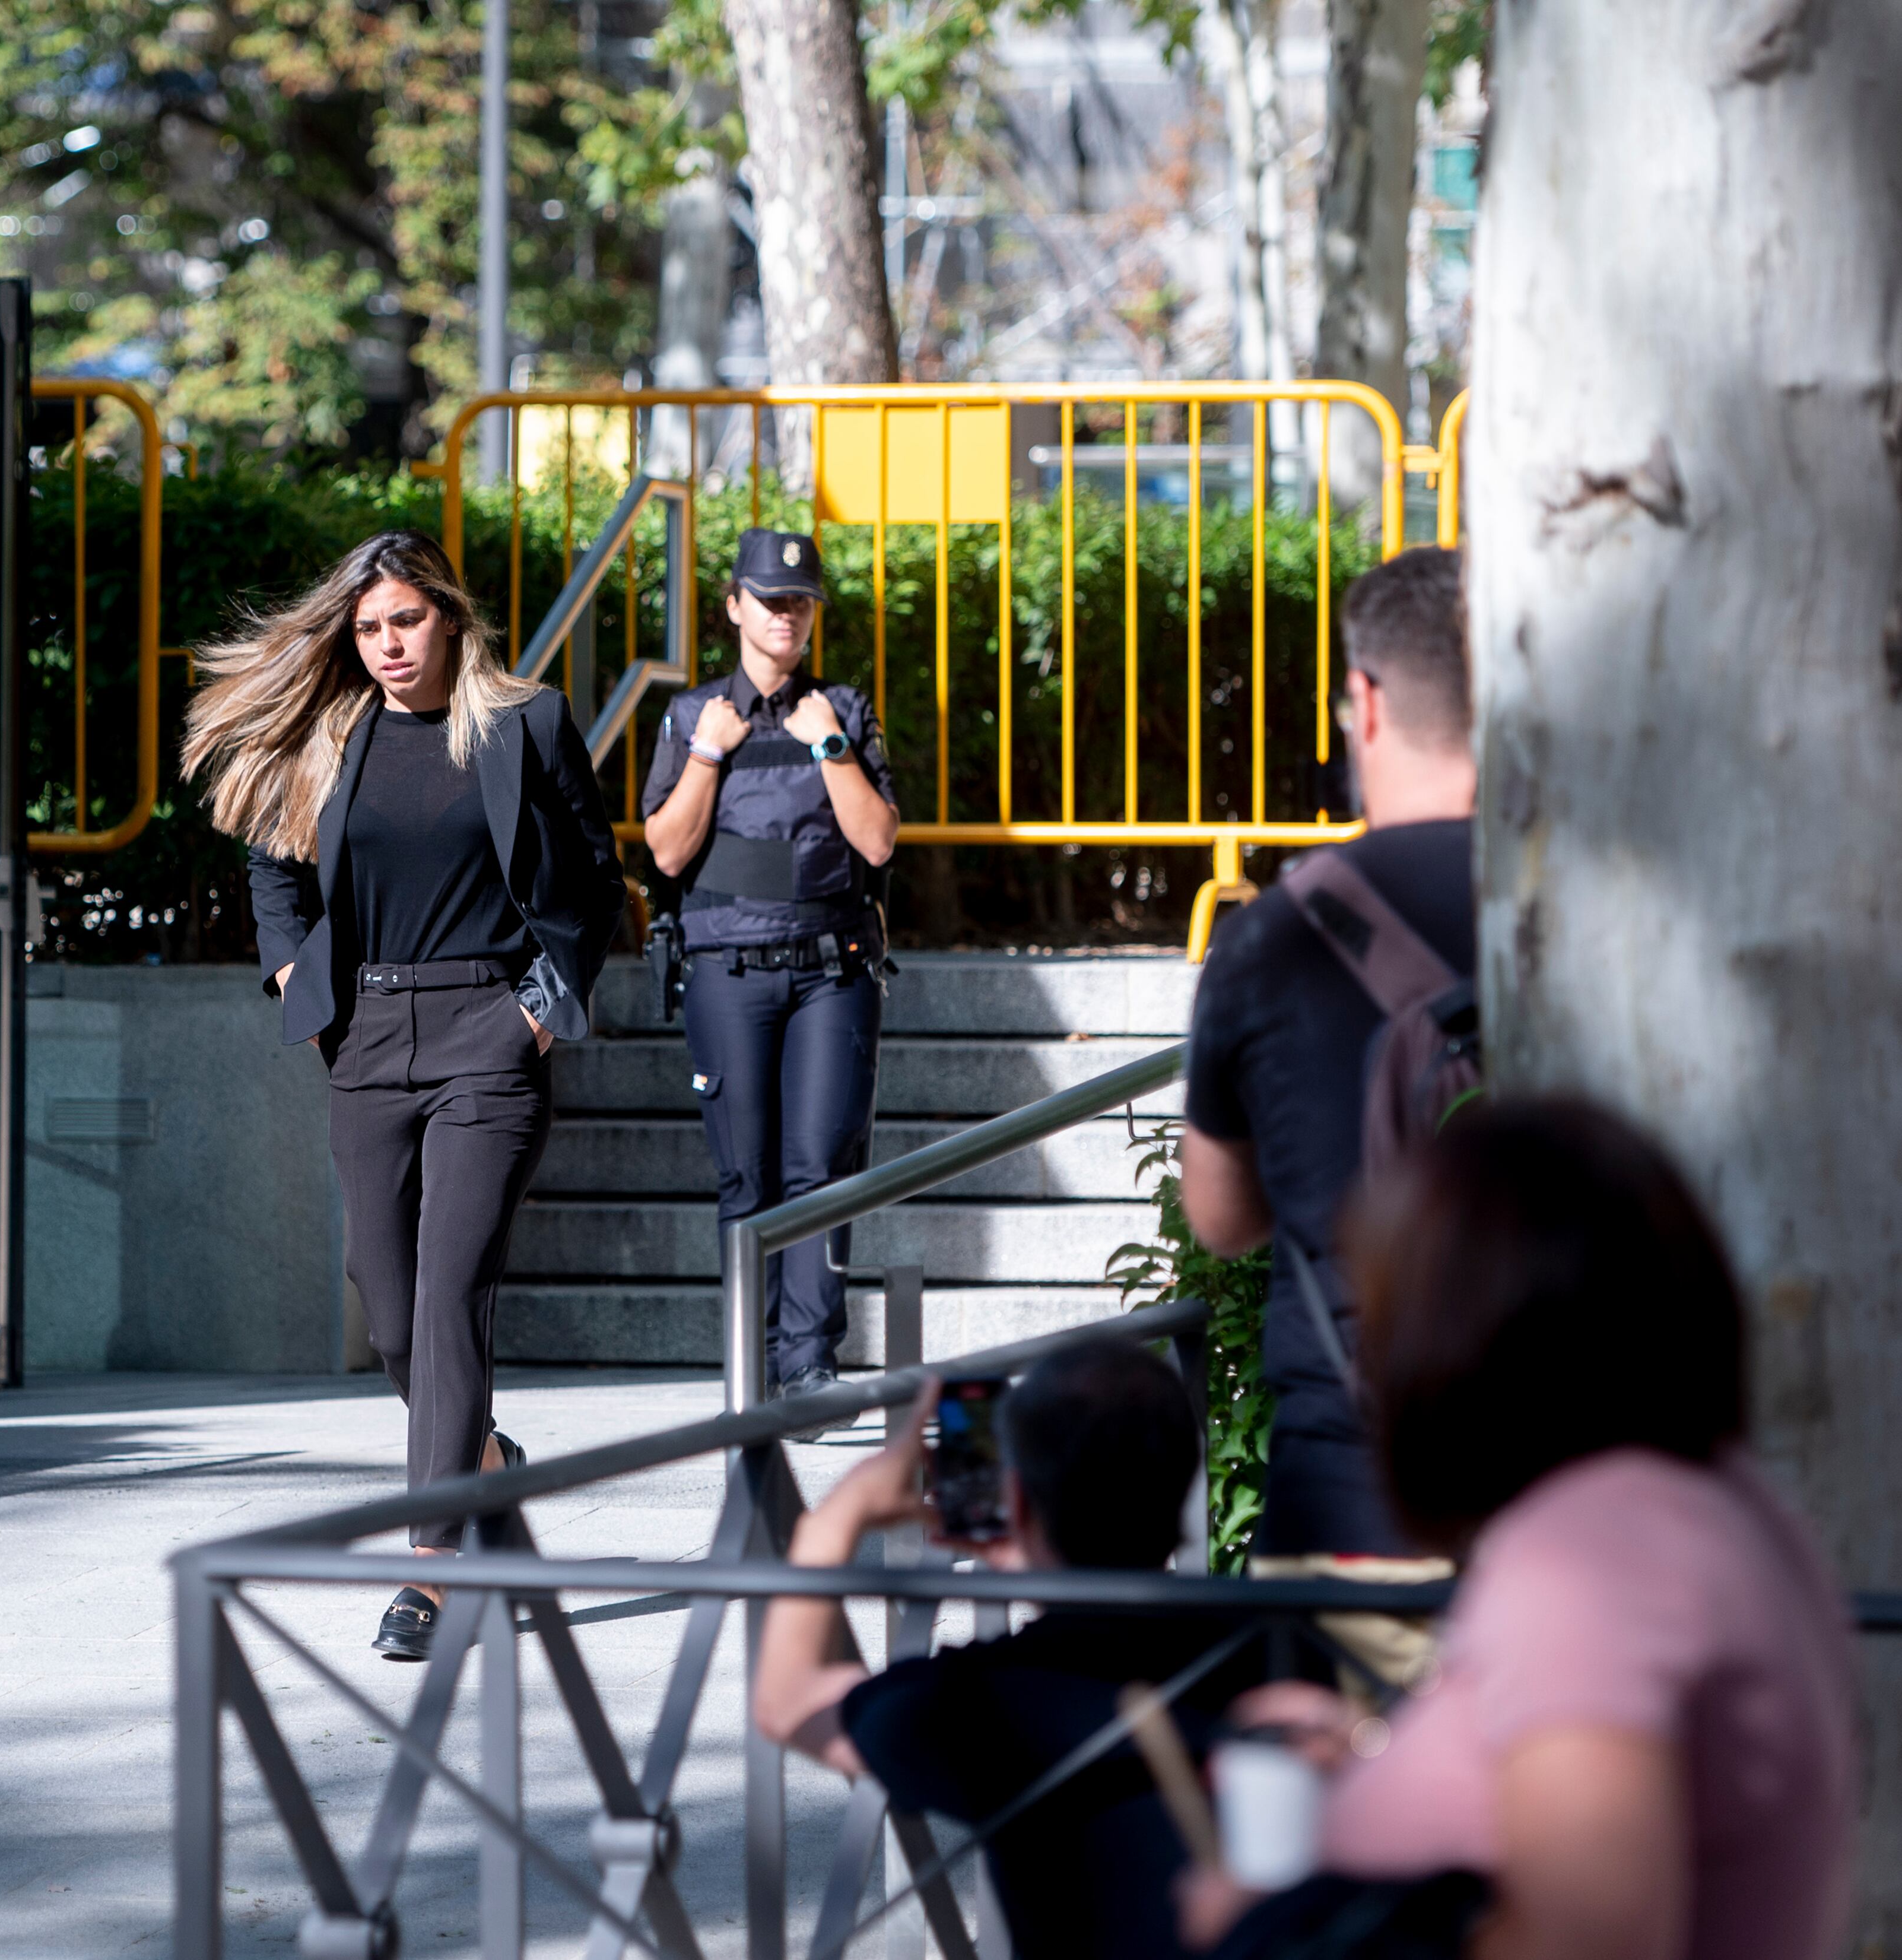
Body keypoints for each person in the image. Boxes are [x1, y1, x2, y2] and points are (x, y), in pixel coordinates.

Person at [1185, 1100, 1859, 1960]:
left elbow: (1586, 1940)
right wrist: (1381, 1766)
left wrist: (1271, 1916)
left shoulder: (1590, 1552)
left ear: (1453, 1341)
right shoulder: (1719, 1502)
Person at [185, 529, 621, 1661]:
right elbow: (273, 869)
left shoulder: (525, 724)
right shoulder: (331, 736)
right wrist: (296, 975)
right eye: (370, 628)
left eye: (406, 622)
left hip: (491, 1028)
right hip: (367, 1034)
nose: (387, 646)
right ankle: (483, 1459)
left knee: (452, 1283)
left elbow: (593, 876)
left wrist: (540, 1001)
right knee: (387, 1308)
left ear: (450, 617)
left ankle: (431, 1567)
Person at [754, 1336, 1271, 1959]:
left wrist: (832, 1520)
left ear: (1018, 1500)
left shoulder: (982, 1700)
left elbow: (786, 1701)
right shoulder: (1273, 1642)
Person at [1178, 545, 1471, 1574]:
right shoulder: (1603, 903)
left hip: (1354, 1504)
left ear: (1366, 699)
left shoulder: (1277, 933)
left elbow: (1221, 1218)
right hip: (1575, 1507)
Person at [640, 529, 898, 1421]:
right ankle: (751, 1365)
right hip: (727, 970)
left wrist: (829, 745)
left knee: (821, 1166)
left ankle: (810, 1363)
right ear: (735, 606)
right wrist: (710, 753)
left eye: (800, 601)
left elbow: (876, 841)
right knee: (746, 1175)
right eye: (771, 598)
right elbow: (668, 854)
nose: (787, 615)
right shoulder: (692, 717)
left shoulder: (845, 712)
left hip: (832, 969)